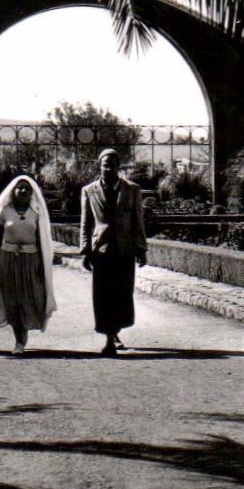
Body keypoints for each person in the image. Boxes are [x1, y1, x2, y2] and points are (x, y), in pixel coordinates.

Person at [78, 148, 148, 356]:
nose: (108, 168)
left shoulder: (132, 190)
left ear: (119, 167)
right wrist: (84, 250)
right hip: (101, 250)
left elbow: (138, 221)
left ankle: (115, 331)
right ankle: (109, 338)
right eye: (104, 164)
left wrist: (141, 249)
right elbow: (86, 222)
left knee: (122, 294)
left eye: (112, 164)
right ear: (99, 166)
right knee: (103, 296)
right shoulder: (89, 191)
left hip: (124, 250)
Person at [0, 175, 57, 355]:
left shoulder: (36, 213)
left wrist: (41, 264)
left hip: (31, 260)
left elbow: (42, 241)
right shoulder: (4, 212)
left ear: (32, 193)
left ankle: (25, 331)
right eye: (19, 188)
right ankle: (19, 339)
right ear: (13, 191)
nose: (23, 191)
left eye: (27, 188)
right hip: (7, 259)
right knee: (12, 299)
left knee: (32, 297)